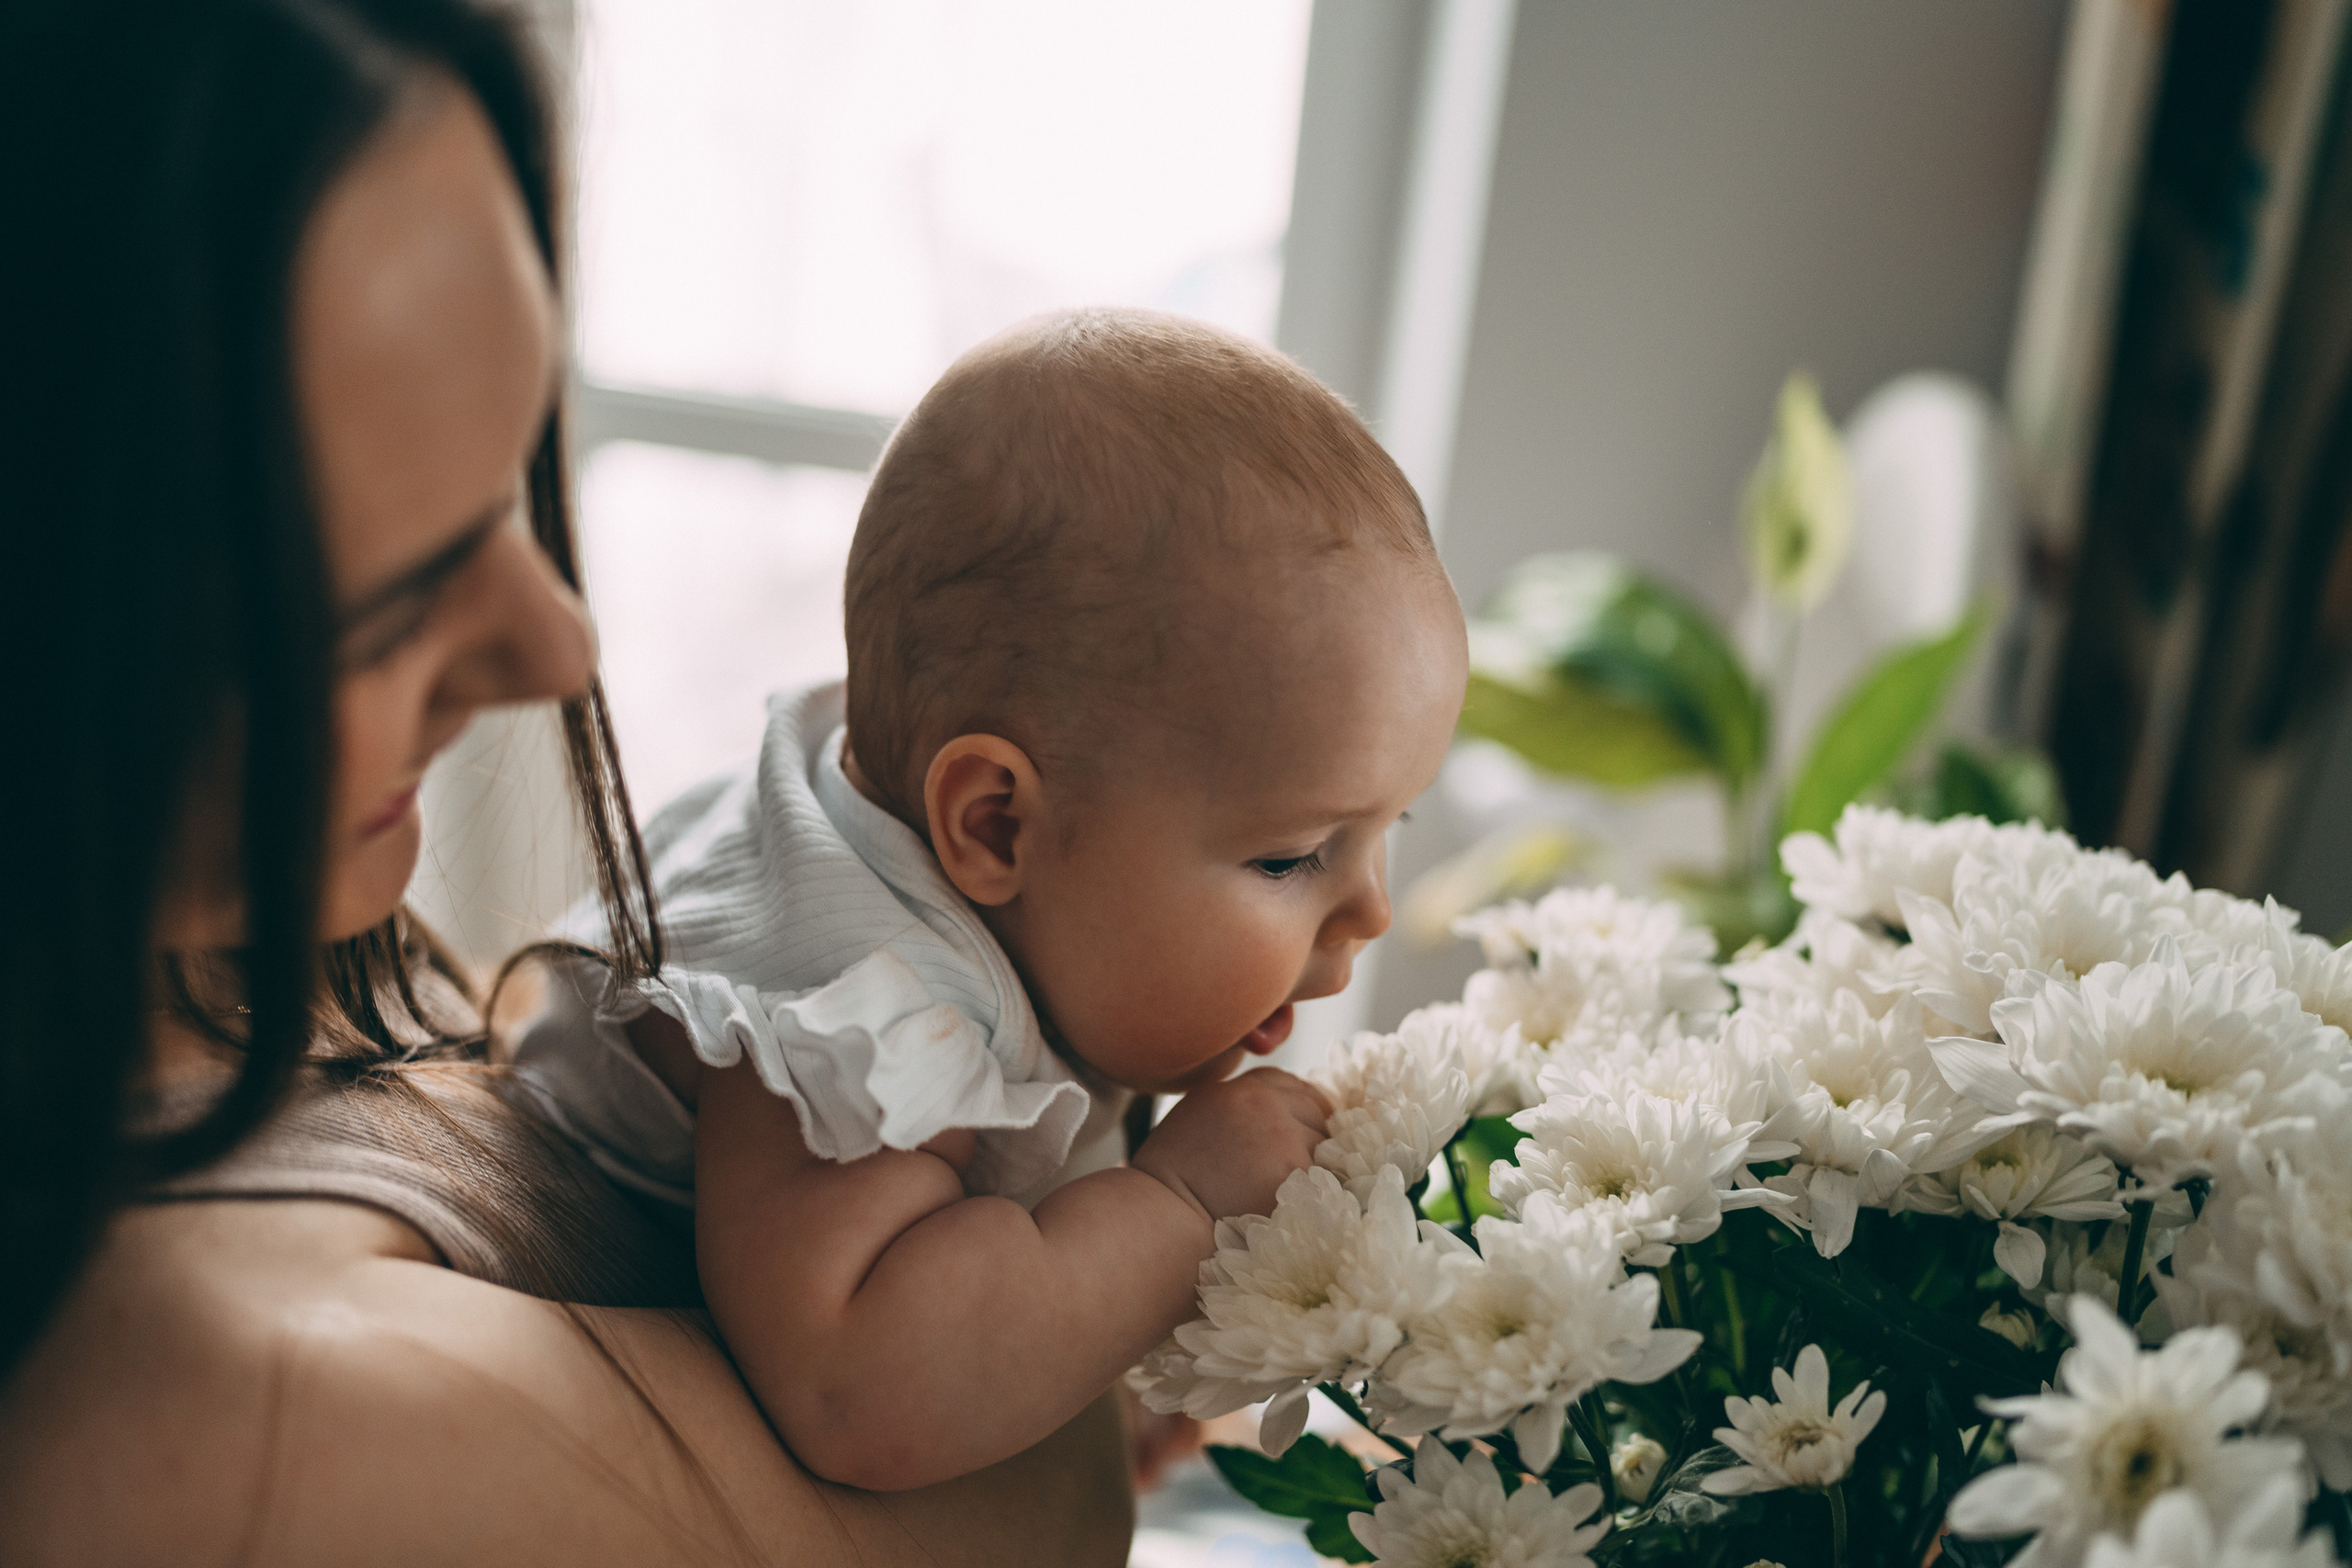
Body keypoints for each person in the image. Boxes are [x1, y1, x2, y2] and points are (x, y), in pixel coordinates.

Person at [0, 3, 1130, 1561]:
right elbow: (1029, 1508)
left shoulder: (209, 948)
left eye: (511, 483)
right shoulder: (223, 1395)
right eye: (388, 603)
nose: (553, 642)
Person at [510, 309, 1471, 1489]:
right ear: (994, 824)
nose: (1370, 910)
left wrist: (1098, 1370)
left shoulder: (1023, 896)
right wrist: (1177, 1207)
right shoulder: (864, 1003)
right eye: (1292, 857)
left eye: (1386, 830)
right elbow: (862, 1387)